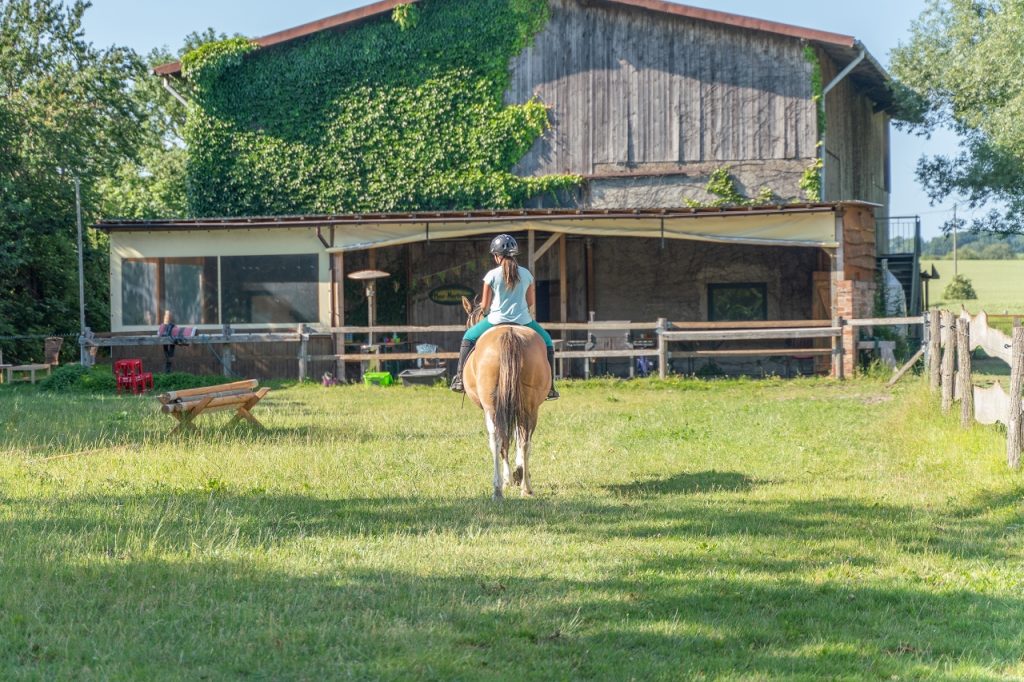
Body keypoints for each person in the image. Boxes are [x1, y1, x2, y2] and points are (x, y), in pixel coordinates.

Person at [450, 234, 559, 400]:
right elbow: (530, 302)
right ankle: (550, 386)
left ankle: (459, 379)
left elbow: (484, 306)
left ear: (496, 256)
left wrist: (486, 312)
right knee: (548, 341)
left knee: (468, 336)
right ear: (514, 255)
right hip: (524, 320)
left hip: (495, 320)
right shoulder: (526, 274)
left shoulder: (491, 275)